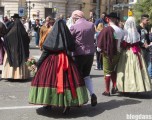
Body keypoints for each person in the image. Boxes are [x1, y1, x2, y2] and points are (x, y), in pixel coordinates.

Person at [28, 19, 88, 114]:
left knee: (49, 81)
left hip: (51, 62)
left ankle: (48, 103)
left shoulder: (52, 36)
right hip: (66, 61)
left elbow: (45, 52)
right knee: (67, 82)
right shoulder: (67, 36)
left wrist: (38, 64)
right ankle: (67, 104)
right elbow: (71, 49)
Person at [116, 17, 152, 92]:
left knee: (126, 68)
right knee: (137, 69)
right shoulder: (136, 32)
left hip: (127, 51)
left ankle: (125, 87)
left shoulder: (125, 32)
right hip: (136, 52)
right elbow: (138, 42)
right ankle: (139, 86)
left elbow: (123, 43)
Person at [70, 10, 97, 106]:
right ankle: (92, 93)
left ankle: (79, 99)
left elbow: (70, 40)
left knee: (77, 76)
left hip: (79, 54)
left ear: (75, 17)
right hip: (90, 54)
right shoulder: (91, 25)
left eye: (73, 18)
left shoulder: (74, 27)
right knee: (86, 75)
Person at [97, 12, 124, 96]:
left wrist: (99, 50)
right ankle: (115, 86)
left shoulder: (106, 29)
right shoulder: (120, 30)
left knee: (107, 71)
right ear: (116, 19)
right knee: (113, 70)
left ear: (107, 19)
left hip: (108, 53)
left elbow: (99, 44)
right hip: (118, 53)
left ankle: (107, 90)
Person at [2, 14, 30, 80]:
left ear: (14, 19)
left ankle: (11, 75)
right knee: (20, 60)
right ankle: (20, 75)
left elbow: (6, 36)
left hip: (12, 49)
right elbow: (27, 39)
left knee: (10, 59)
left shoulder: (12, 26)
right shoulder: (22, 28)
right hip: (21, 49)